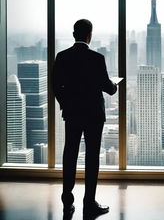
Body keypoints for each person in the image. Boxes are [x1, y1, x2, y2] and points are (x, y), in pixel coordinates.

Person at [53, 19, 117, 219]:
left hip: (72, 113)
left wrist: (66, 104)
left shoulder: (62, 57)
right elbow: (107, 87)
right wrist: (114, 86)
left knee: (70, 154)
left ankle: (67, 201)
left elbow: (56, 86)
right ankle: (89, 203)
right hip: (93, 115)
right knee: (91, 157)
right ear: (90, 35)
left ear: (74, 34)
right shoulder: (97, 58)